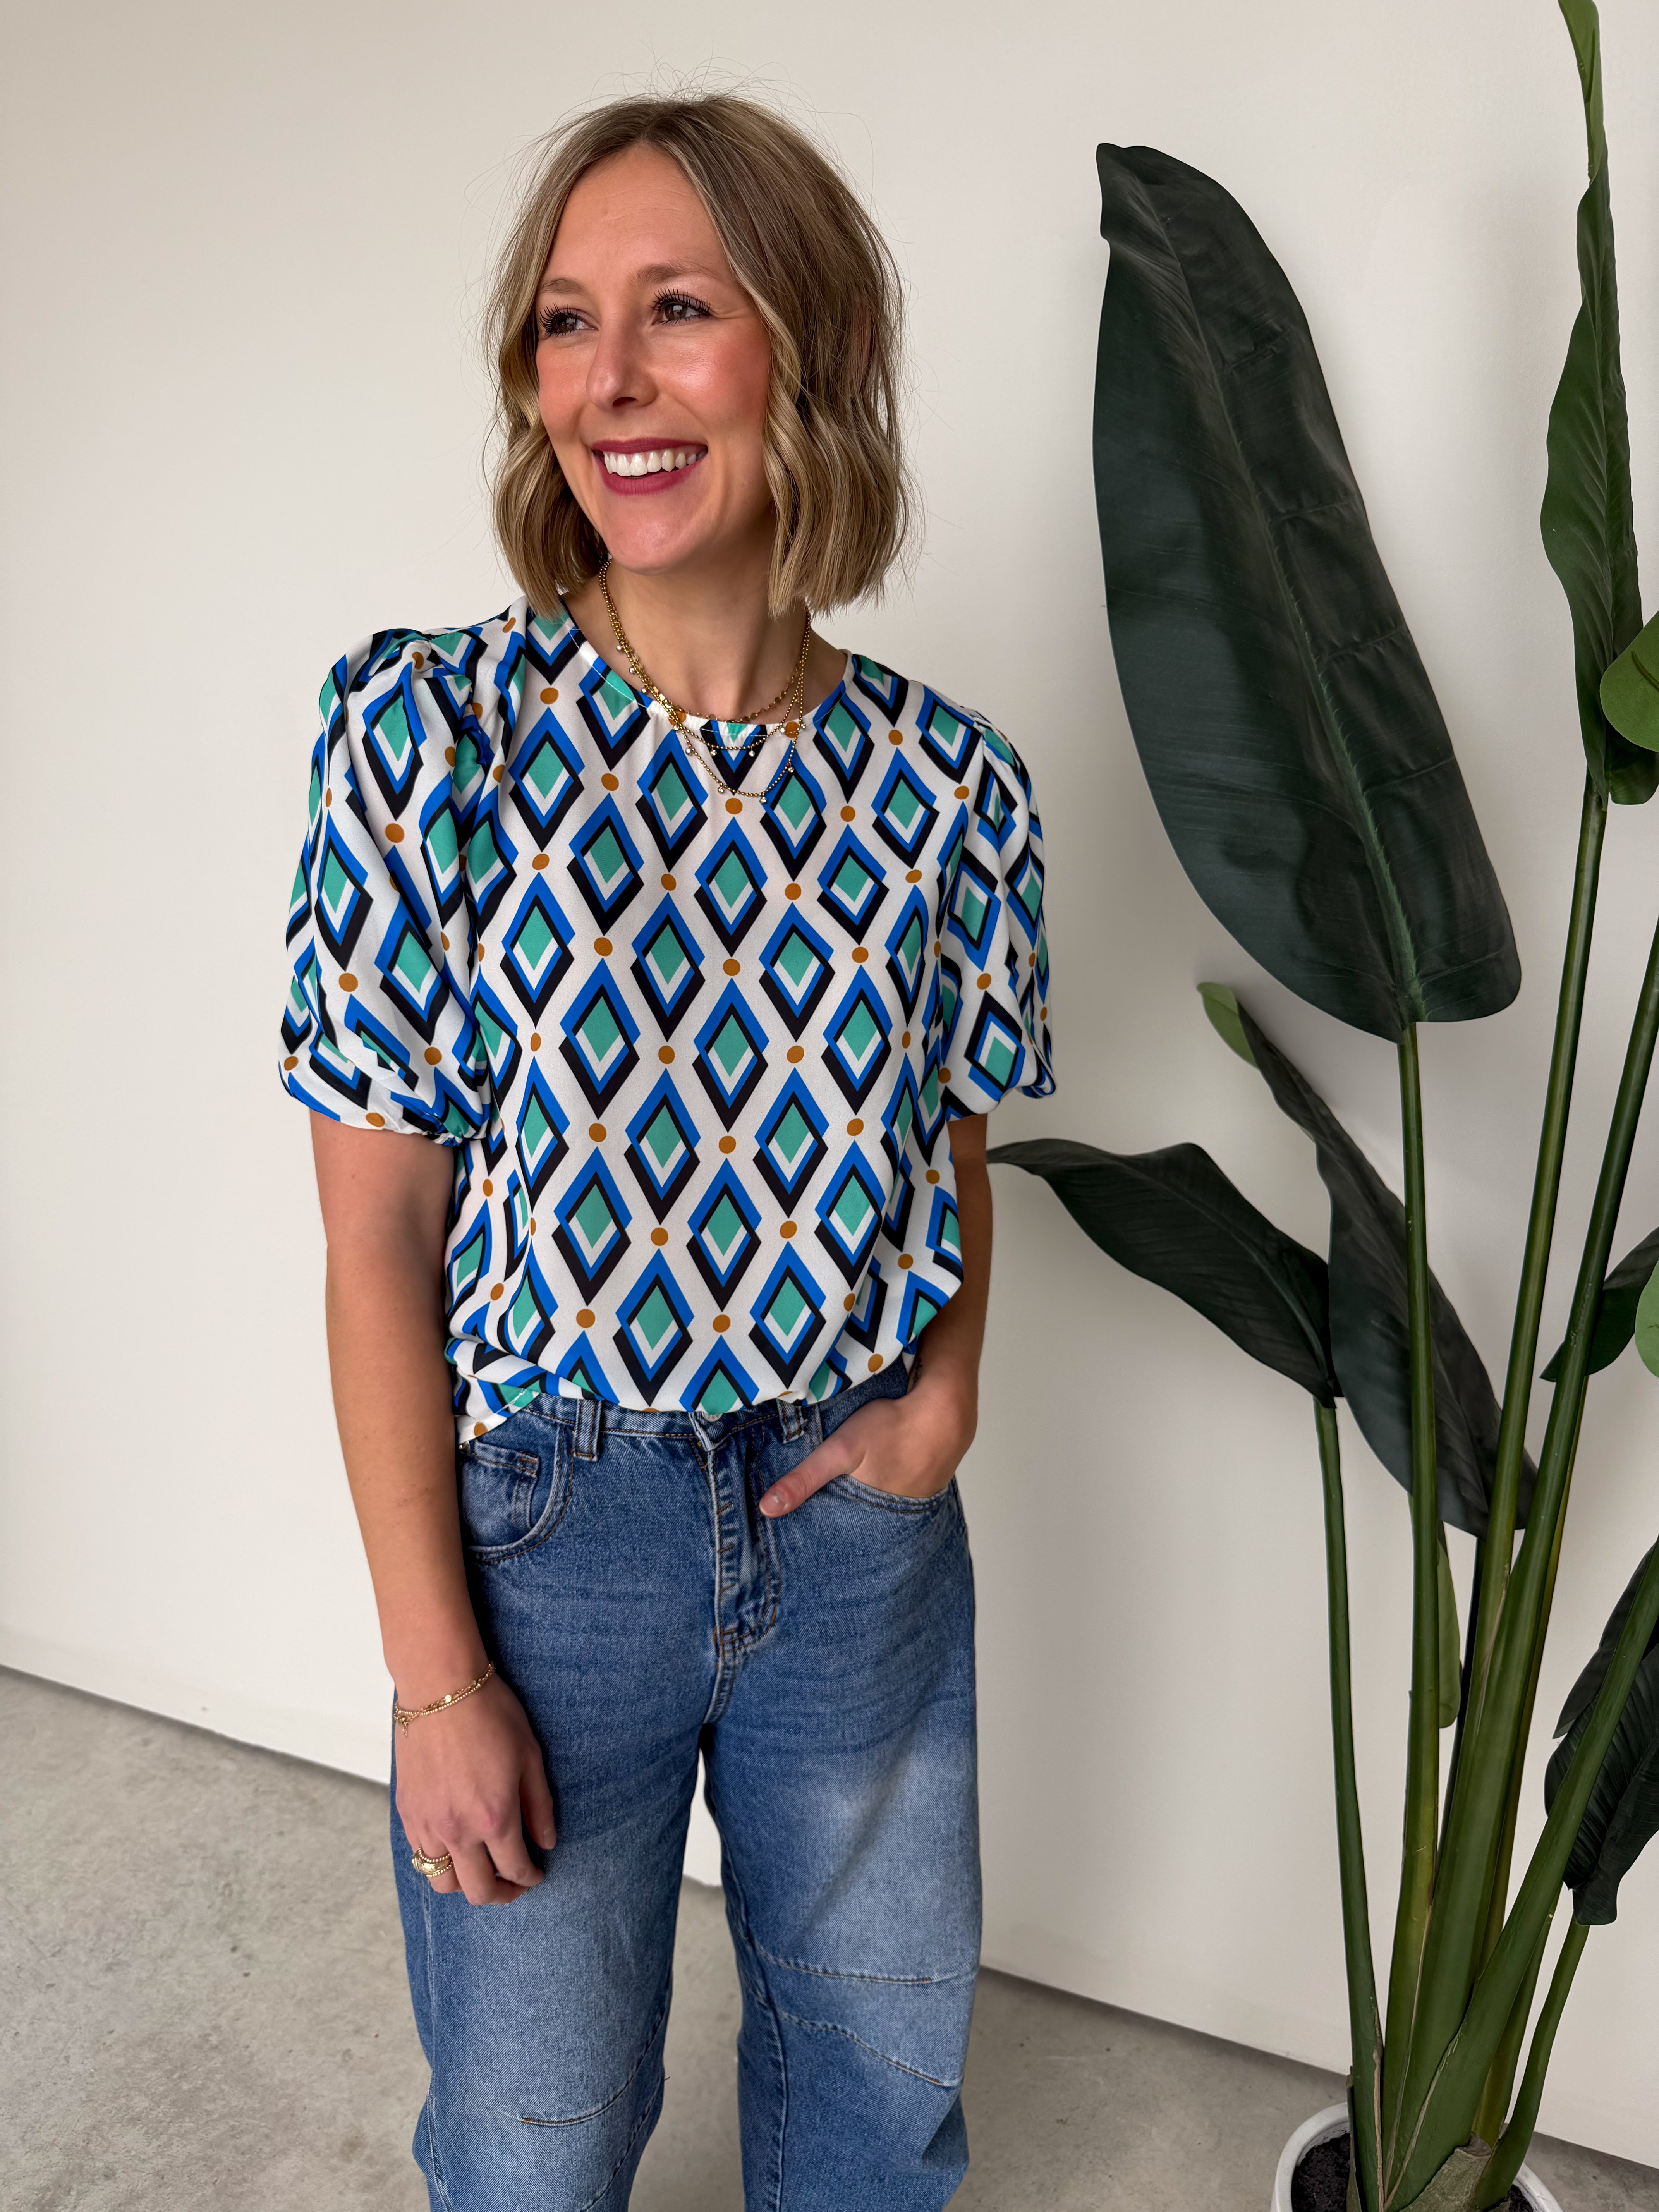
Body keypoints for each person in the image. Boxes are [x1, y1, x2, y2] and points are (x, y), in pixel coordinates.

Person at [279, 90, 1053, 2212]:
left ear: (814, 347)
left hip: (856, 1538)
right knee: (530, 2140)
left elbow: (954, 1124)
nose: (608, 378)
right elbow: (376, 1243)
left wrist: (944, 1396)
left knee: (876, 2092)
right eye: (565, 322)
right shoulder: (428, 735)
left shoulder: (955, 788)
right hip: (554, 1544)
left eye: (679, 310)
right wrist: (434, 1678)